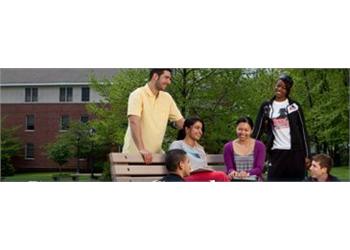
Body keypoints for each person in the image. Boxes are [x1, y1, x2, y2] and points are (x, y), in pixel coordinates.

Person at [252, 73, 310, 181]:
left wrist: (307, 154)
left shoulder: (295, 106)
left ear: (288, 90)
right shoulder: (266, 106)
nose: (279, 89)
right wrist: (249, 147)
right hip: (276, 152)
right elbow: (257, 129)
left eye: (283, 87)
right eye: (278, 85)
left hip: (295, 153)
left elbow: (303, 131)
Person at [122, 69, 185, 164]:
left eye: (170, 79)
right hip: (134, 155)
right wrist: (142, 149)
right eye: (166, 77)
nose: (169, 82)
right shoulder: (137, 94)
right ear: (155, 76)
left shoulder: (167, 98)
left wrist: (194, 132)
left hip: (156, 156)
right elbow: (134, 122)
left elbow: (181, 122)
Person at [169, 117, 230, 182]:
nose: (200, 132)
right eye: (197, 128)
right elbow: (173, 165)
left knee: (221, 176)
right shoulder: (177, 144)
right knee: (221, 176)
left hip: (201, 178)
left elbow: (205, 167)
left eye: (201, 129)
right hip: (185, 178)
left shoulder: (200, 149)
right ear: (187, 129)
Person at [223, 117, 266, 181]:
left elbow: (259, 168)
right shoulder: (228, 147)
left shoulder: (260, 146)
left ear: (251, 130)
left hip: (254, 181)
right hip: (235, 180)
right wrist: (232, 172)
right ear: (236, 129)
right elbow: (229, 168)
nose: (242, 132)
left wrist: (247, 173)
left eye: (246, 130)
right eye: (240, 129)